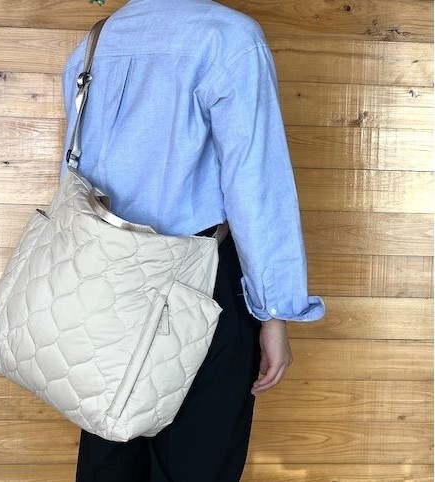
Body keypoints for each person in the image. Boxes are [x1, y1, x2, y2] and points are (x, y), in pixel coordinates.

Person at [59, 0, 325, 480]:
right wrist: (274, 311)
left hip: (106, 279)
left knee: (110, 453)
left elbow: (76, 181)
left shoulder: (96, 42)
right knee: (198, 462)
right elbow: (254, 185)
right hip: (202, 283)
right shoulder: (229, 38)